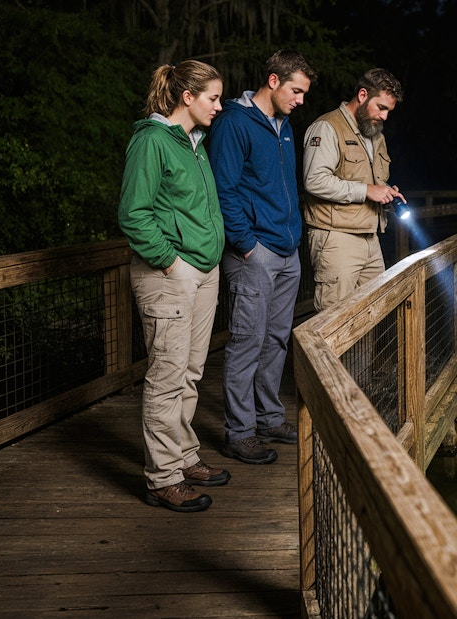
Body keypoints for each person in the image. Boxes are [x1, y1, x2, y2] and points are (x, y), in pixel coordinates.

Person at [118, 60, 230, 513]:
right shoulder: (151, 141)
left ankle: (183, 457)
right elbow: (133, 213)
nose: (219, 107)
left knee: (190, 371)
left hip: (205, 271)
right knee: (166, 378)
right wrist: (169, 262)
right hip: (169, 275)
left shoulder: (194, 143)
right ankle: (162, 478)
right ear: (188, 97)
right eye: (213, 98)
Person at [209, 50, 317, 464]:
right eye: (296, 90)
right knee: (246, 342)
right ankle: (239, 433)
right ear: (273, 81)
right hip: (254, 253)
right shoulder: (235, 122)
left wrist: (292, 240)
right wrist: (247, 244)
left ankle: (268, 417)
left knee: (275, 339)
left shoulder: (283, 125)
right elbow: (225, 189)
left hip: (287, 251)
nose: (301, 100)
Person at [302, 67, 405, 313]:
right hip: (336, 238)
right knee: (334, 320)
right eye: (381, 107)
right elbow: (314, 180)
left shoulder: (375, 135)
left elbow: (371, 182)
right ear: (362, 95)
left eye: (389, 111)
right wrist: (366, 191)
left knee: (373, 316)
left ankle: (364, 355)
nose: (384, 117)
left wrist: (385, 193)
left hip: (371, 237)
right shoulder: (327, 127)